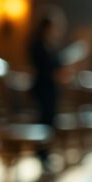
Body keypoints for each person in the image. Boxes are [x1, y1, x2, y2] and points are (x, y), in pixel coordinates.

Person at [28, 15, 60, 170]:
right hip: (43, 88)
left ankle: (45, 153)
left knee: (50, 121)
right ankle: (41, 154)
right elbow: (42, 67)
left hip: (51, 89)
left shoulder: (50, 45)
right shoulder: (38, 45)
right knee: (43, 121)